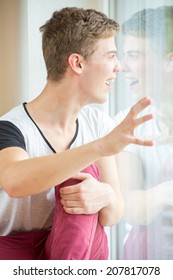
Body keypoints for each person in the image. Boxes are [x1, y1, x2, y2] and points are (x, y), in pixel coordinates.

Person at [0, 7, 154, 260]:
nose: (118, 67)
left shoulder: (97, 124)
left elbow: (113, 214)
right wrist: (99, 148)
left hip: (74, 253)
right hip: (17, 259)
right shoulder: (11, 128)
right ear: (77, 63)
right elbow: (14, 182)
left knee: (87, 181)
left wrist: (104, 194)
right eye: (112, 55)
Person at [114, 5, 173, 259]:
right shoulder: (127, 124)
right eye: (123, 55)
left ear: (169, 61)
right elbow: (130, 206)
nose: (121, 67)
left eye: (134, 55)